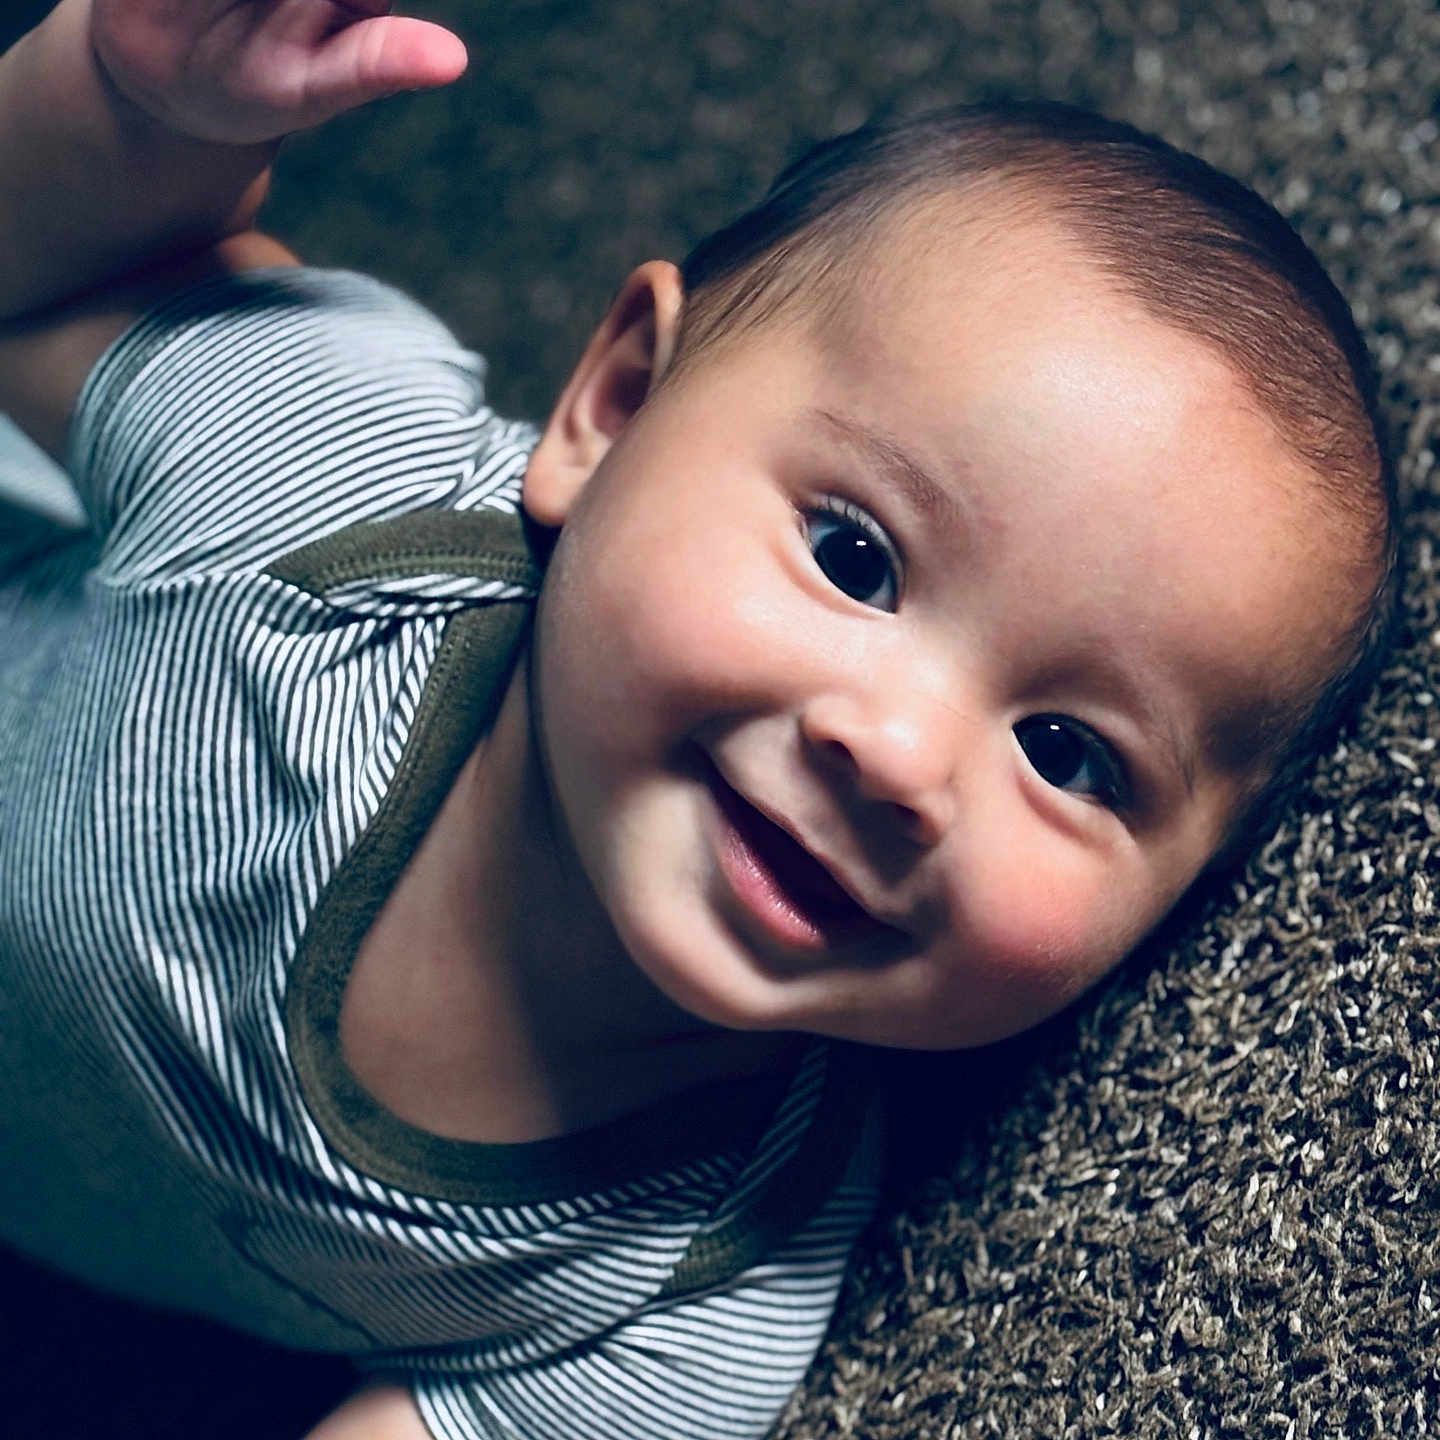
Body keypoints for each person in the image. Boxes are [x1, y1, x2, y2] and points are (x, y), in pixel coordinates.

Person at [0, 1, 1396, 1437]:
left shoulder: (694, 1301)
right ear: (609, 408)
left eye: (1068, 753)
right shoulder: (337, 491)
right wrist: (124, 98)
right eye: (855, 557)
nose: (902, 757)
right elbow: (39, 287)